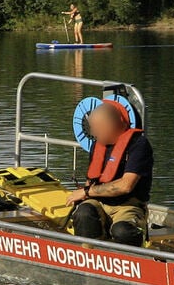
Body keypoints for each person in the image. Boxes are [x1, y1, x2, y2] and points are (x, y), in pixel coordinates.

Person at [65, 100, 153, 246]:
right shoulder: (98, 145)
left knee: (122, 231)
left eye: (97, 128)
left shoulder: (139, 145)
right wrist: (82, 197)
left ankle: (132, 259)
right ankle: (88, 256)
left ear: (113, 124)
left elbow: (125, 186)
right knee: (84, 213)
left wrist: (86, 192)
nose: (93, 133)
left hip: (127, 206)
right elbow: (91, 179)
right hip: (100, 202)